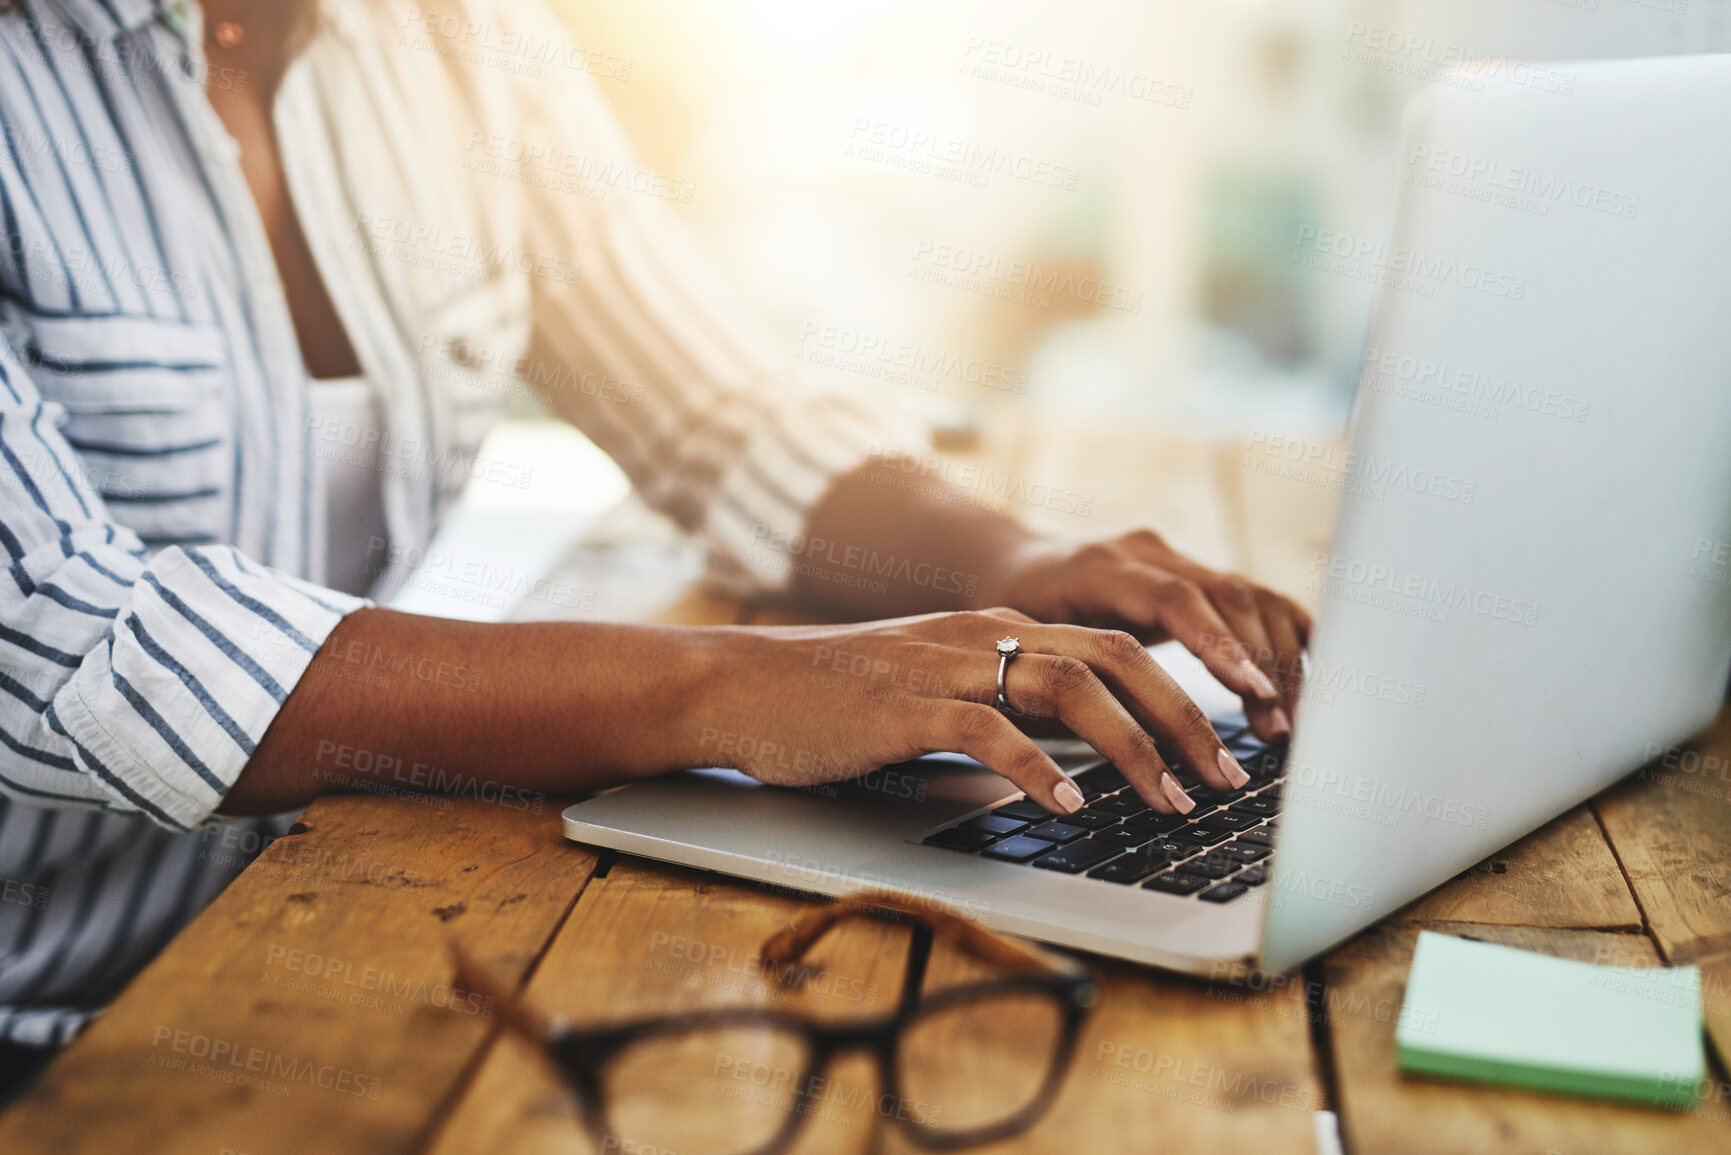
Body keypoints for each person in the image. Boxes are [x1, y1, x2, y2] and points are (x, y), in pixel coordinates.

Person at [0, 0, 1308, 1083]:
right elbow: (62, 628)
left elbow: (707, 407)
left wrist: (1004, 560)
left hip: (299, 923)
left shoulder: (457, 36)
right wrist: (725, 687)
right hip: (44, 1021)